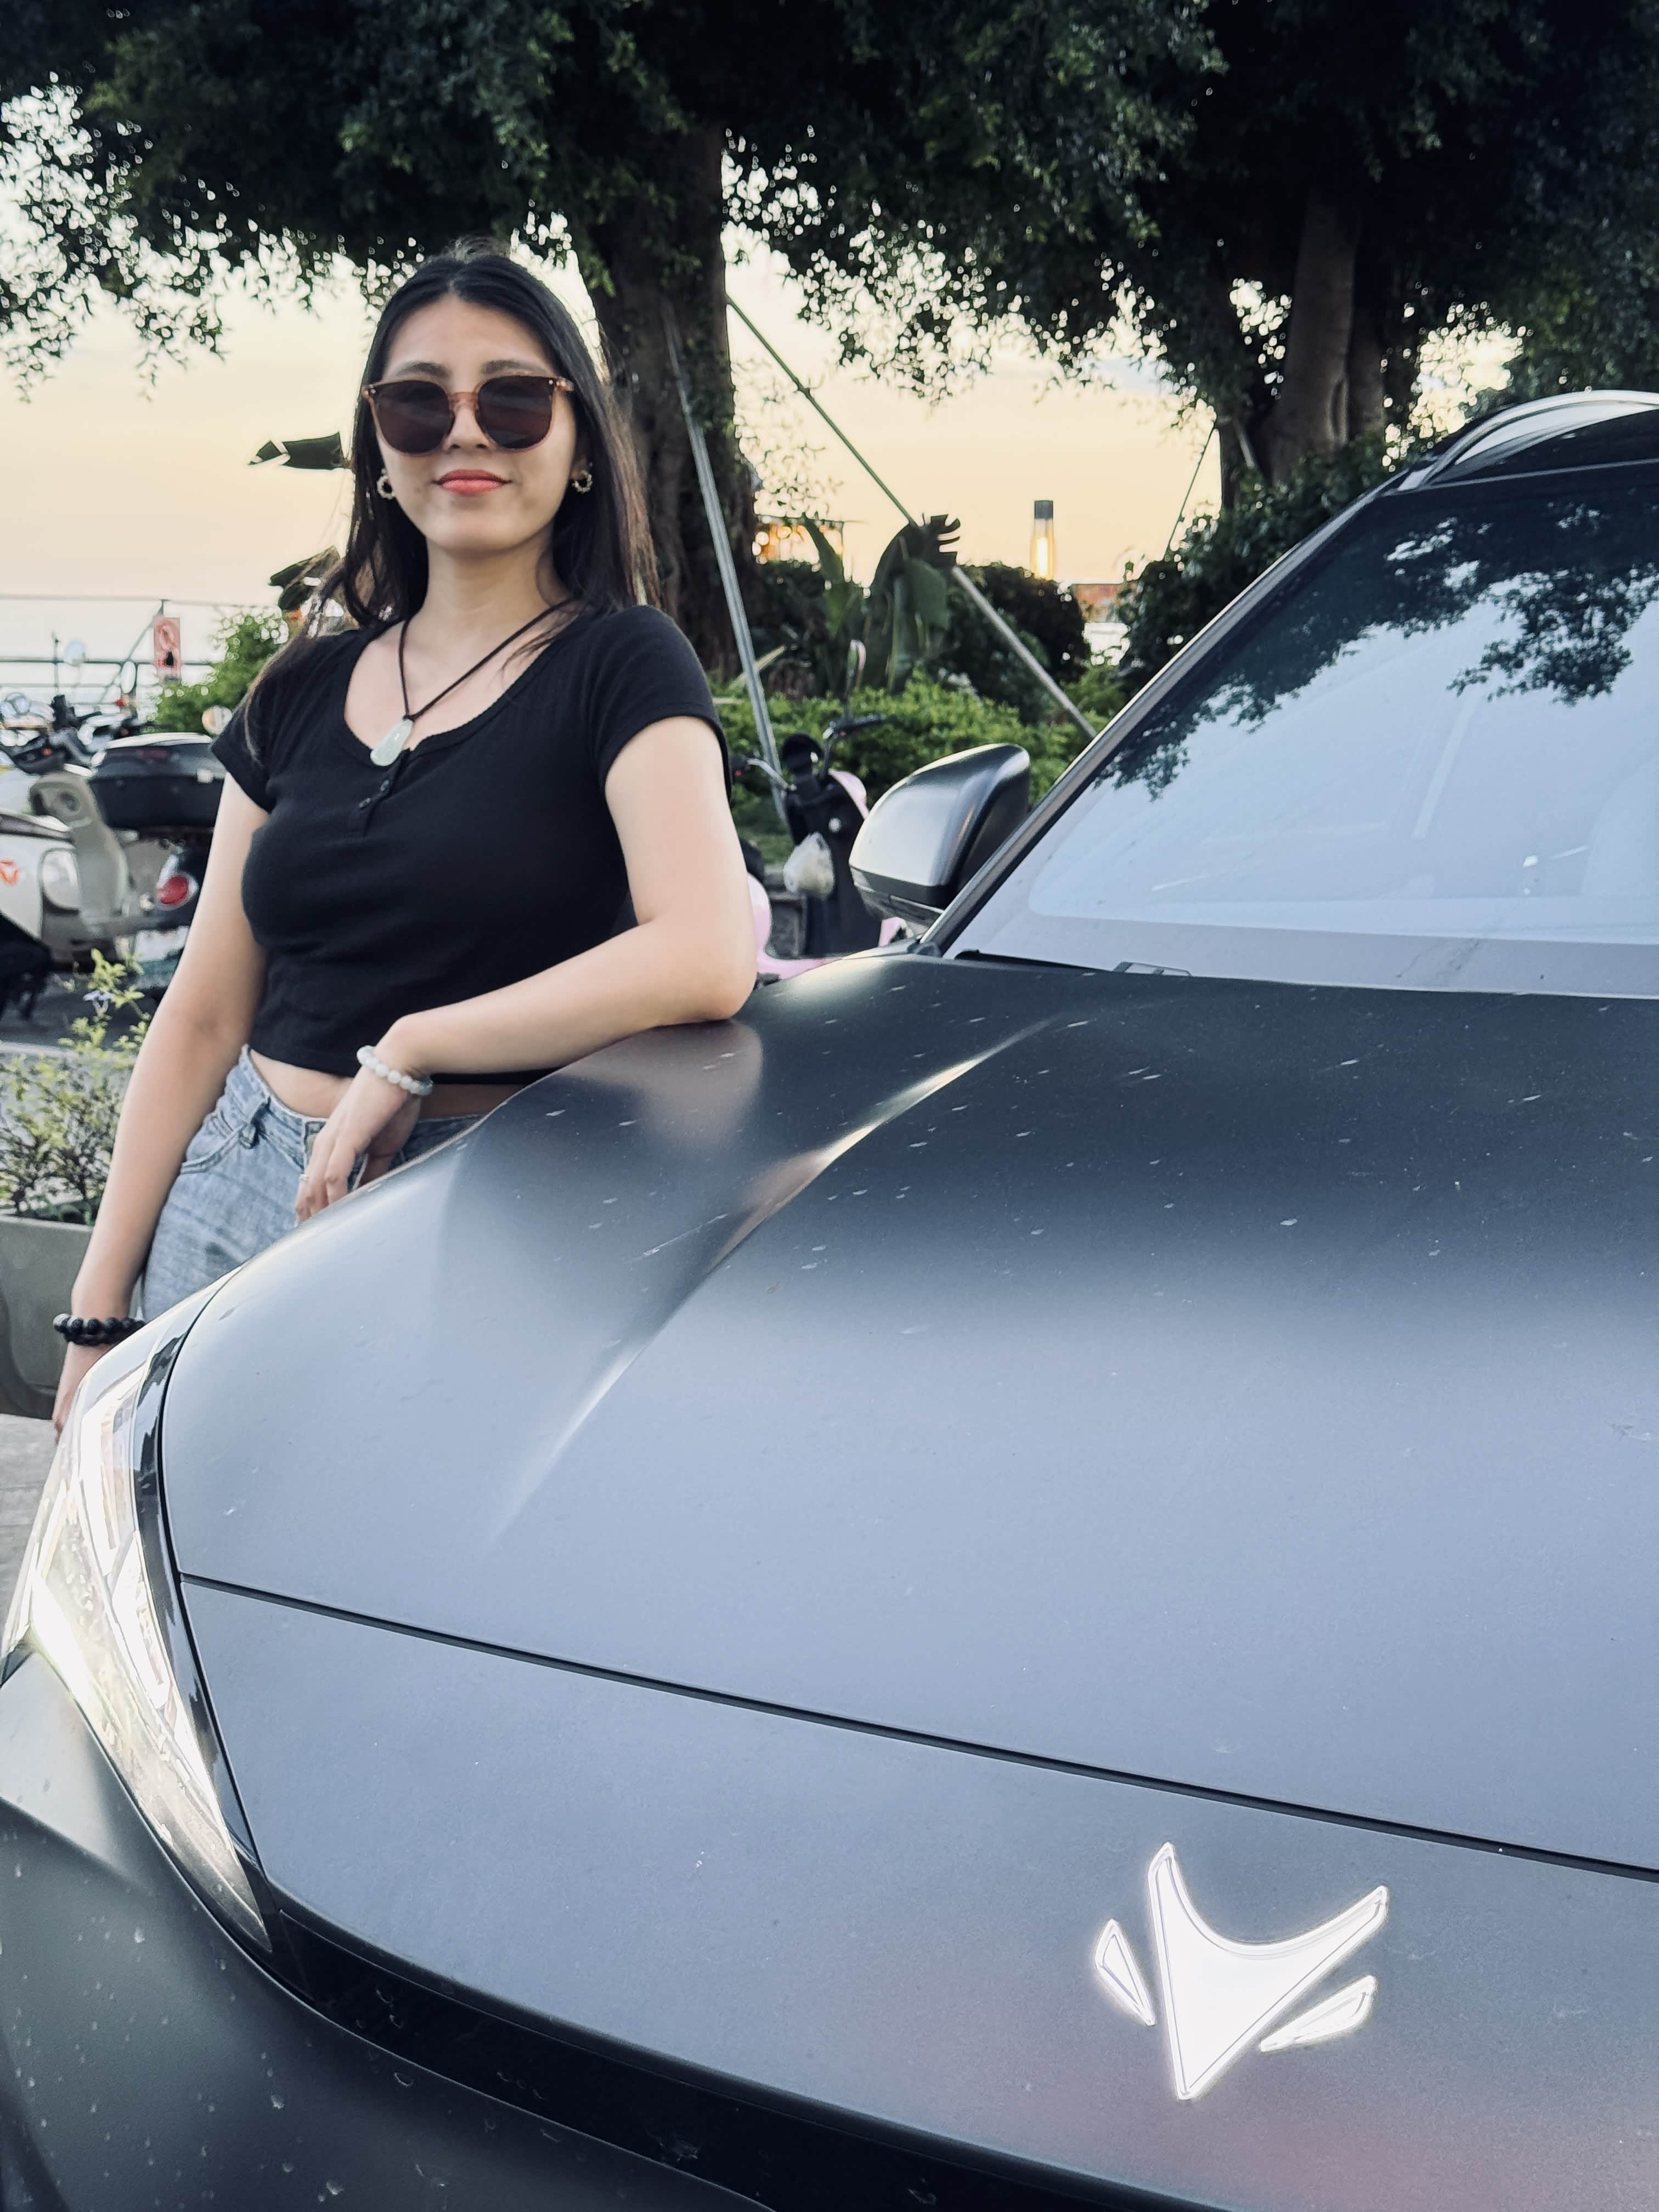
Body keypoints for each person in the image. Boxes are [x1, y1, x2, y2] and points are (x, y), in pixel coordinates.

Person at [52, 240, 755, 1431]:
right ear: (379, 445)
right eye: (420, 403)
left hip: (478, 1203)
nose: (465, 431)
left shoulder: (624, 665)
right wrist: (96, 1308)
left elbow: (703, 950)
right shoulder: (299, 689)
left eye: (514, 399)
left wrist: (416, 1045)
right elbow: (206, 1013)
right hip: (233, 1189)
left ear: (580, 440)